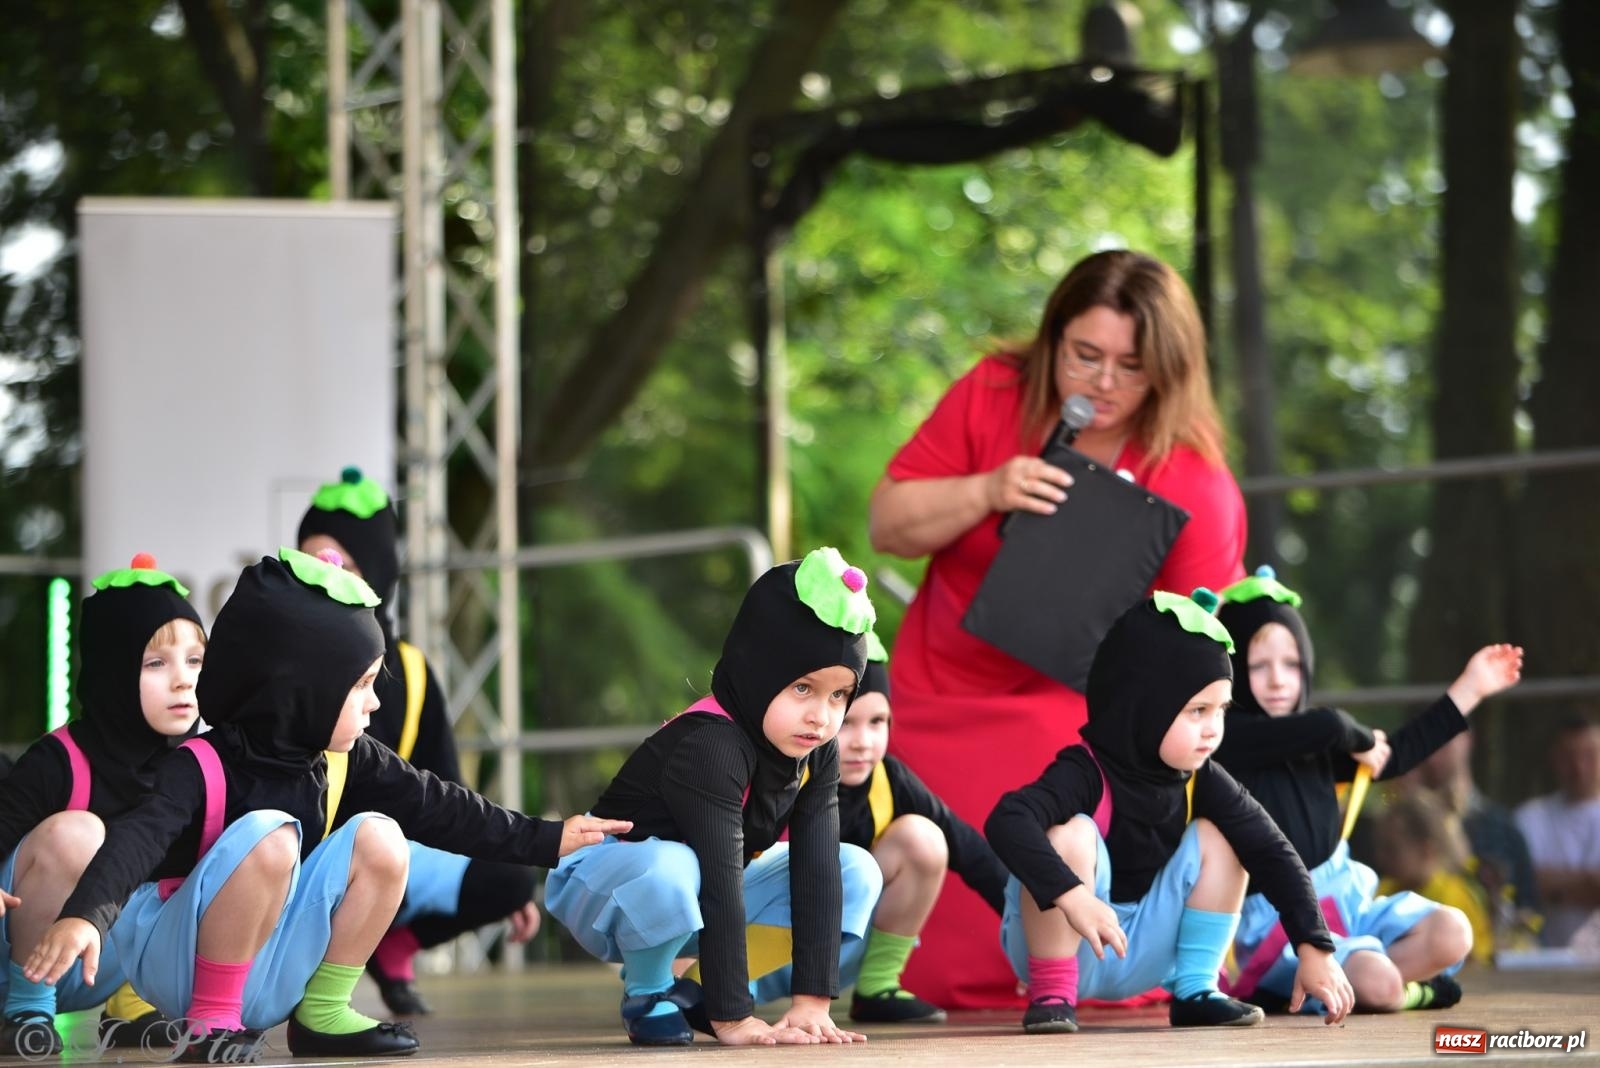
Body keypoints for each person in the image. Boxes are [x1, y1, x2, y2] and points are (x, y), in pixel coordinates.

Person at [22, 549, 629, 1061]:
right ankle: (209, 1024)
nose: (373, 705)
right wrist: (85, 916)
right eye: (361, 686)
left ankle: (322, 1012)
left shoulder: (347, 757)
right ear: (303, 689)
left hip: (270, 961)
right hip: (176, 967)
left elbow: (443, 807)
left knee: (383, 836)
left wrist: (549, 840)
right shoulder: (199, 764)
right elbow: (136, 839)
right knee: (272, 833)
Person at [868, 249, 1247, 1007]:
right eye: (1085, 356)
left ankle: (1083, 976)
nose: (1103, 383)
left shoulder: (1193, 474)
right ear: (1052, 342)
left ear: (1169, 371)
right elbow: (888, 523)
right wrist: (987, 488)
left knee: (1075, 827)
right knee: (935, 964)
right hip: (941, 695)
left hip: (1082, 720)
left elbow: (1204, 661)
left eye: (1131, 366)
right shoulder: (994, 390)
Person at [545, 548, 883, 1047]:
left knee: (853, 867)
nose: (822, 716)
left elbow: (815, 868)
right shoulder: (711, 744)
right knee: (672, 864)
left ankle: (694, 990)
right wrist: (733, 1019)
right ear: (758, 672)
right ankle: (650, 989)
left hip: (705, 881)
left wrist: (811, 1003)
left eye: (839, 695)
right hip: (603, 877)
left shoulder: (817, 749)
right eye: (802, 689)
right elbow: (720, 879)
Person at [985, 589, 1352, 1034]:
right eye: (1197, 710)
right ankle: (1053, 996)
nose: (1214, 729)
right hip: (1065, 945)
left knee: (1228, 836)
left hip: (1141, 955)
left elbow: (1272, 849)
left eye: (1221, 710)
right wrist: (1073, 896)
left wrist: (1314, 947)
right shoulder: (1085, 769)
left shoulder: (1203, 776)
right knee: (1071, 835)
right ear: (1145, 707)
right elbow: (1007, 820)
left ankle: (1197, 989)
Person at [1212, 566, 1521, 1012]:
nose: (1278, 679)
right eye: (1259, 666)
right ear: (1235, 669)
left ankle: (1350, 989)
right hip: (1279, 928)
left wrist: (1470, 688)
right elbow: (1328, 724)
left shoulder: (1318, 745)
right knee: (1379, 981)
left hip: (1346, 903)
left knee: (1454, 931)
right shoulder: (1229, 740)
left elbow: (1394, 755)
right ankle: (1403, 992)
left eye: (1292, 663)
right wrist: (1353, 736)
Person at [298, 467, 538, 1015]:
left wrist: (510, 881)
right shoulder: (281, 658)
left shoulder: (410, 668)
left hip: (393, 851)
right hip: (309, 853)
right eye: (312, 561)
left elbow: (447, 785)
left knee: (506, 878)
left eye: (344, 564)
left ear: (377, 572)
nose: (324, 576)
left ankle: (391, 947)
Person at [0, 556, 205, 1055]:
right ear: (114, 671)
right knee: (82, 835)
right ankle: (24, 1008)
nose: (183, 680)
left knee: (217, 847)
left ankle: (133, 1006)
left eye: (195, 660)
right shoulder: (58, 761)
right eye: (156, 663)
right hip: (17, 956)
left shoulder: (204, 763)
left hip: (93, 967)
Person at [752, 634, 1012, 1023]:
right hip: (751, 954)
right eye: (848, 723)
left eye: (877, 722)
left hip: (835, 955)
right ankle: (703, 987)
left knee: (923, 839)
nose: (864, 742)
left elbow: (973, 854)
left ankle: (878, 984)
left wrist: (1040, 930)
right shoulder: (774, 775)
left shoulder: (890, 780)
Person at [1406, 731, 1541, 949]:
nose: (1433, 756)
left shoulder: (1501, 828)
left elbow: (1528, 908)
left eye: (1443, 743)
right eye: (1424, 745)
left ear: (1467, 739)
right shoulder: (1399, 828)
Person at [1373, 790, 1495, 965]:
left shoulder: (1453, 898)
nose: (1381, 857)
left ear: (1426, 850)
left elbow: (1475, 959)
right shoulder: (1384, 891)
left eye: (1392, 849)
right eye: (1380, 848)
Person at [1515, 718, 1600, 947]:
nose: (1579, 768)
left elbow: (1536, 883)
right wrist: (1589, 884)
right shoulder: (1530, 817)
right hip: (1542, 960)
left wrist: (1554, 888)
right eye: (1569, 757)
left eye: (1589, 755)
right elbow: (1520, 886)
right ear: (1554, 759)